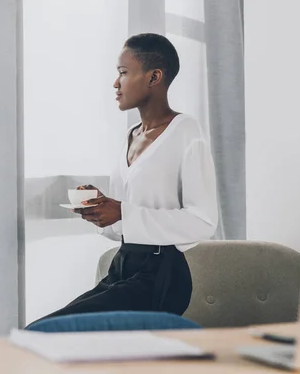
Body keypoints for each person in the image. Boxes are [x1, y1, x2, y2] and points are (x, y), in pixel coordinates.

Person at [27, 33, 218, 327]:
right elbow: (122, 223)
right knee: (44, 332)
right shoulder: (130, 135)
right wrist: (100, 208)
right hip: (123, 265)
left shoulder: (187, 132)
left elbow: (203, 221)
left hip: (161, 275)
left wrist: (122, 212)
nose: (116, 83)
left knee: (43, 331)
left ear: (154, 77)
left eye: (123, 73)